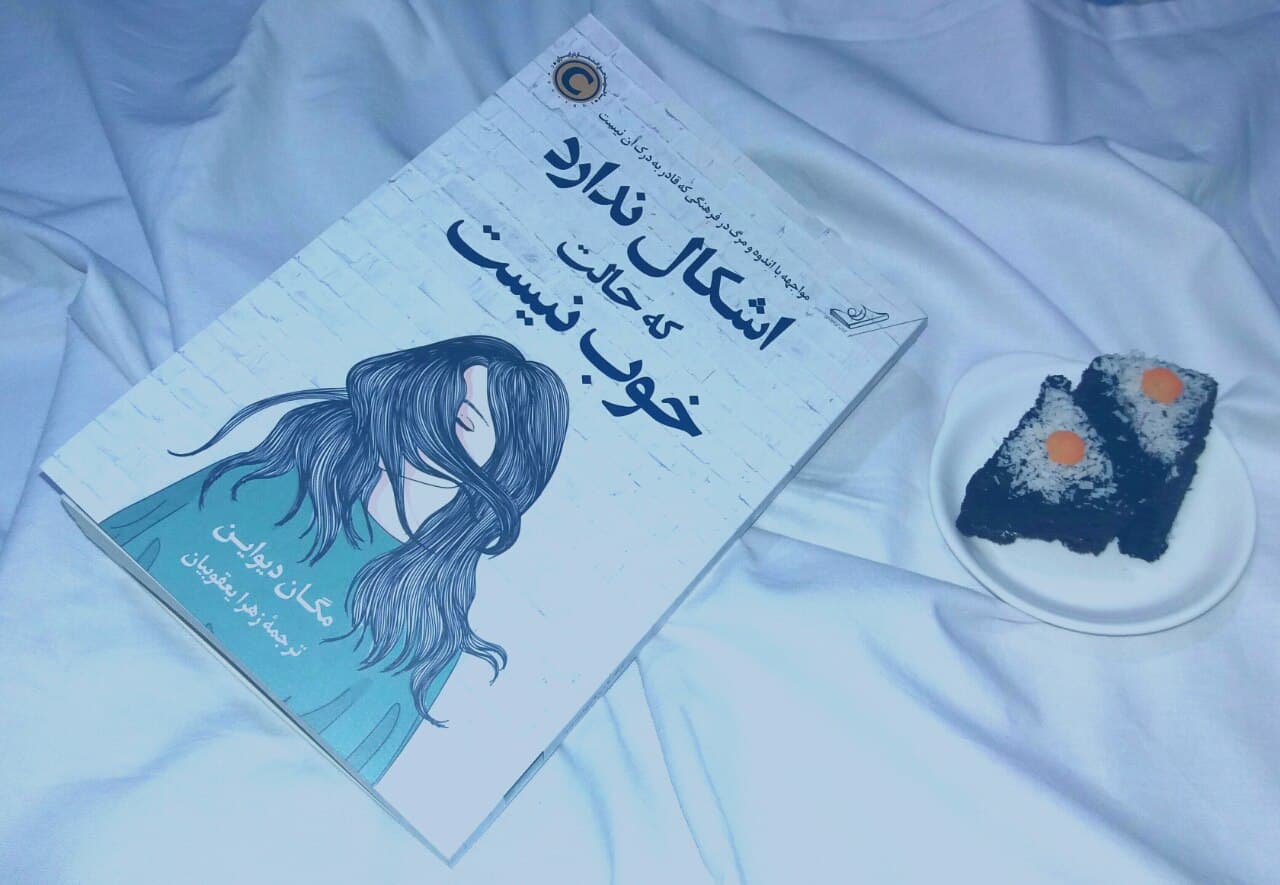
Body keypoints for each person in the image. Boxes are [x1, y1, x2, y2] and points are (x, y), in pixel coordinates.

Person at [101, 335, 570, 783]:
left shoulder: (425, 622)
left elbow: (346, 763)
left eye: (462, 423)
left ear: (506, 465)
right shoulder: (269, 478)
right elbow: (128, 539)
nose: (428, 421)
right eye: (432, 397)